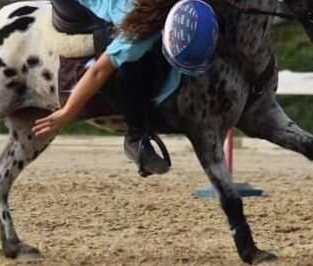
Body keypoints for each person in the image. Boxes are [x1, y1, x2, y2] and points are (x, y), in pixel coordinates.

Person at [32, 0, 219, 175]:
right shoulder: (139, 30)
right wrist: (67, 112)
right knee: (131, 64)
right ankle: (136, 136)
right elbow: (98, 71)